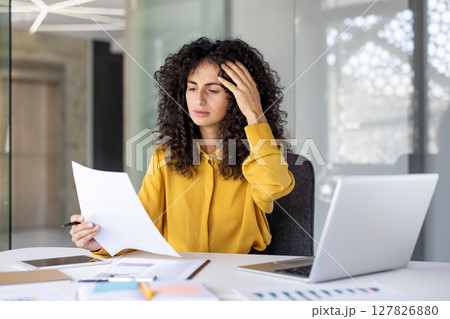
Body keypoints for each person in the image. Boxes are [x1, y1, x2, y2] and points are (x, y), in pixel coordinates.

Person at [70, 37, 295, 257]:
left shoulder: (259, 152)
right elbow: (140, 227)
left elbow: (275, 186)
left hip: (237, 273)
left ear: (238, 97)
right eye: (192, 88)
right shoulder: (165, 155)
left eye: (213, 90)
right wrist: (99, 241)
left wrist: (254, 112)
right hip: (176, 274)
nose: (199, 100)